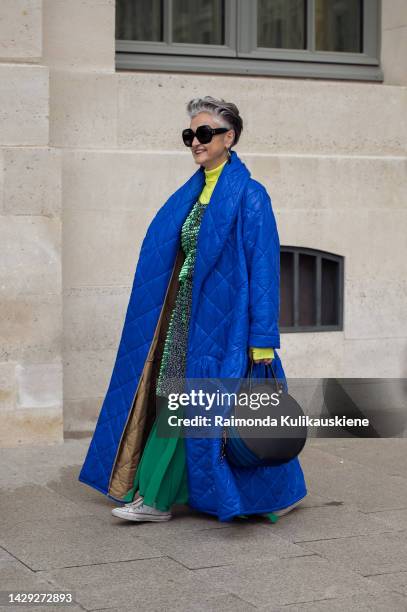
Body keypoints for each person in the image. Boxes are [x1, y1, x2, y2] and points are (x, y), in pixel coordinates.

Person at [78, 96, 307, 523]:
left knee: (226, 410)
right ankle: (165, 496)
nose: (196, 143)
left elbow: (264, 271)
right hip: (183, 319)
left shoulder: (251, 197)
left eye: (204, 133)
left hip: (227, 324)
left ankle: (161, 499)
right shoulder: (190, 194)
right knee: (183, 403)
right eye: (190, 135)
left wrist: (262, 339)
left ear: (229, 137)